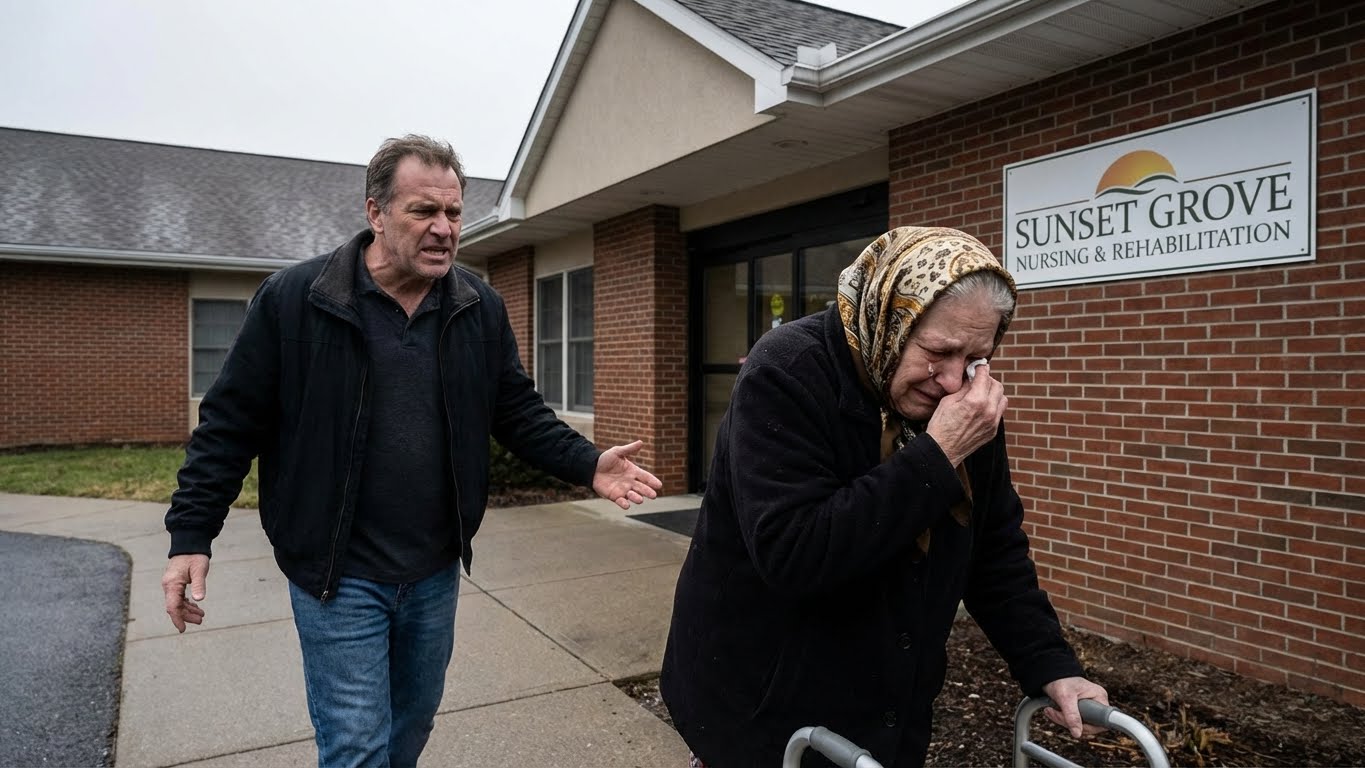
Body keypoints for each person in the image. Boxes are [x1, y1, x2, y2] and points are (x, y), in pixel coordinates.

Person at [162, 134, 662, 768]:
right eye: (423, 211)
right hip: (336, 575)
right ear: (375, 213)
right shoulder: (296, 300)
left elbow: (514, 410)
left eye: (453, 213)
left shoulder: (477, 306)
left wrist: (587, 463)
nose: (444, 228)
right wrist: (190, 536)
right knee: (356, 743)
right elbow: (228, 426)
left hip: (431, 571)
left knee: (413, 723)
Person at [660, 226, 1107, 767]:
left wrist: (1050, 664)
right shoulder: (787, 372)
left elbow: (993, 548)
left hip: (887, 706)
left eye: (975, 358)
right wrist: (938, 455)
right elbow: (794, 553)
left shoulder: (966, 403)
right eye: (937, 351)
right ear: (891, 318)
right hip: (763, 702)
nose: (949, 380)